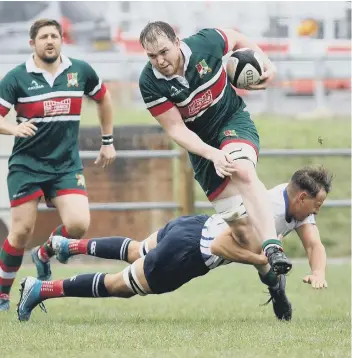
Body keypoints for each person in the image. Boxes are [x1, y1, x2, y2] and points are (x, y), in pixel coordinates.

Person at [17, 166, 332, 322]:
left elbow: (314, 245)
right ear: (302, 197)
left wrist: (318, 273)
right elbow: (223, 245)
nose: (318, 209)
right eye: (317, 204)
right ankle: (39, 289)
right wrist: (262, 262)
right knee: (119, 286)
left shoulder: (294, 207)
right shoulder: (272, 210)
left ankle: (67, 246)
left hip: (193, 225)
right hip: (189, 252)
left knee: (135, 251)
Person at [138, 21, 291, 282]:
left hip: (232, 121)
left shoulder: (205, 43)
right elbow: (177, 130)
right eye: (152, 56)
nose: (160, 60)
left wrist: (268, 64)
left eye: (164, 52)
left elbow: (238, 38)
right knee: (242, 233)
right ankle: (272, 280)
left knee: (242, 169)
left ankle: (272, 247)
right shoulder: (150, 82)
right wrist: (212, 154)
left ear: (177, 42)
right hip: (201, 147)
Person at [0, 19, 116, 311]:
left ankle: (44, 254)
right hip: (27, 166)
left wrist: (107, 140)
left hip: (65, 165)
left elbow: (103, 99)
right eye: (43, 37)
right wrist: (14, 129)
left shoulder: (80, 71)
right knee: (21, 231)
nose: (49, 41)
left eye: (54, 36)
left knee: (78, 225)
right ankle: (2, 295)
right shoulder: (16, 78)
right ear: (32, 44)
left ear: (61, 40)